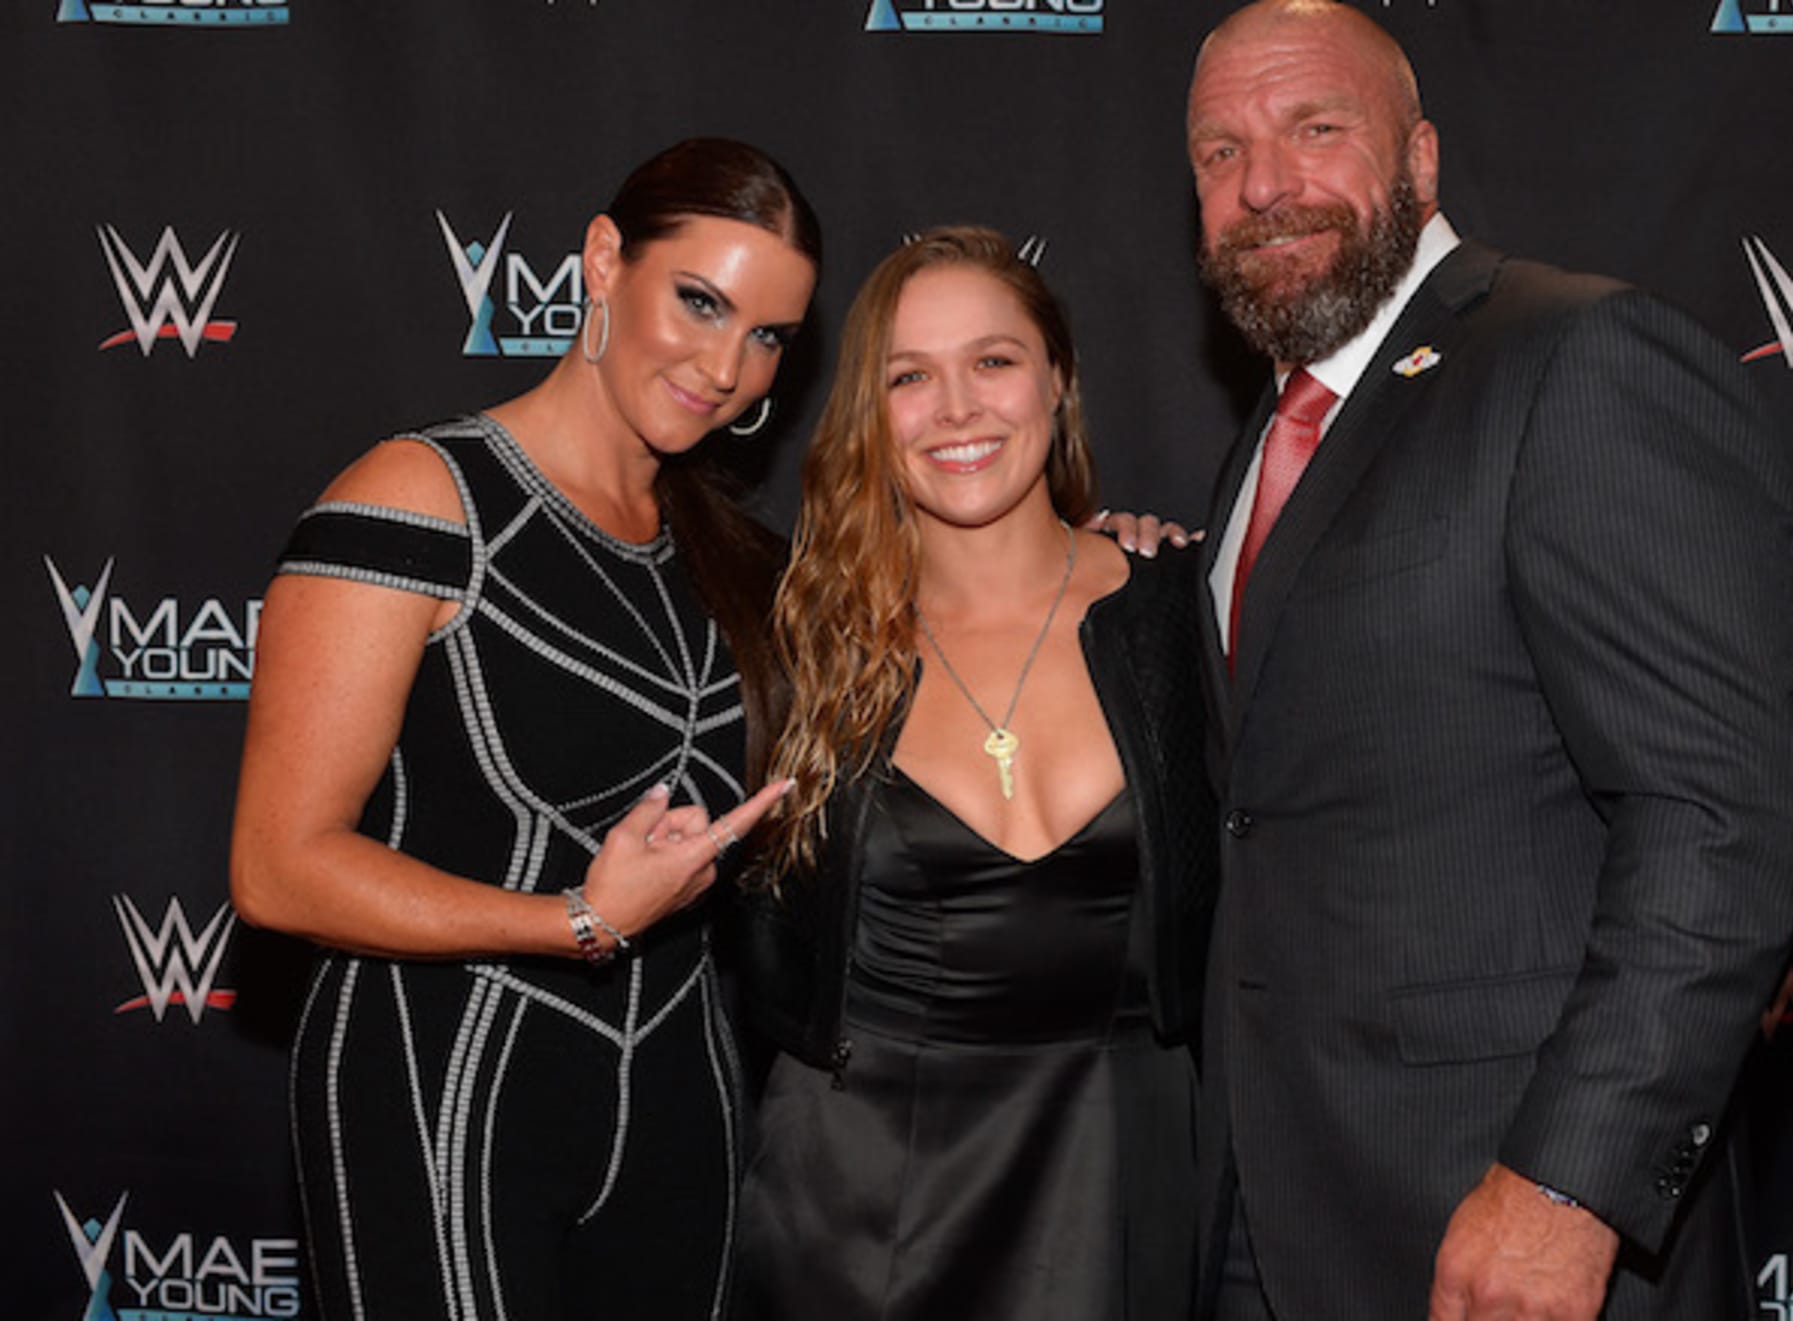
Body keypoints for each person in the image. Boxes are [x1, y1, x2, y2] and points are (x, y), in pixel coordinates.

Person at [1182, 4, 1793, 1319]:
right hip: (1279, 1213)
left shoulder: (1576, 361)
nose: (1264, 185)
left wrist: (1569, 1183)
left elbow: (1722, 808)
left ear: (1419, 161)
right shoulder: (1271, 434)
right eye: (1219, 152)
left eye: (1316, 131)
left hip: (1507, 1226)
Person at [228, 137, 818, 1321]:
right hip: (440, 1089)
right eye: (699, 302)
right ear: (605, 260)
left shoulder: (740, 562)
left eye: (766, 338)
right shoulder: (414, 500)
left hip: (684, 1102)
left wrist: (1101, 560)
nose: (726, 366)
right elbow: (278, 867)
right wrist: (577, 921)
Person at [727, 226, 1217, 1320]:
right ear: (869, 412)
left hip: (1130, 1182)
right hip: (859, 1215)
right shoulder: (797, 649)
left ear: (1057, 379)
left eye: (991, 360)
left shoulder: (1186, 616)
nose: (955, 408)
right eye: (910, 376)